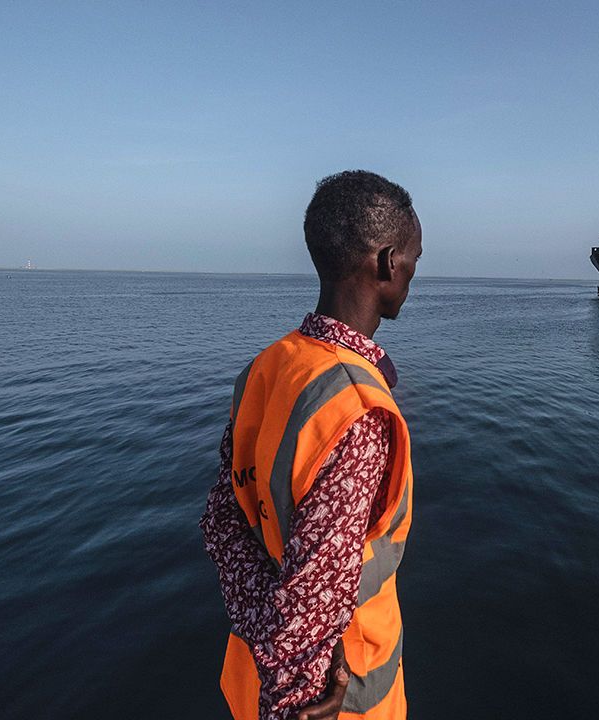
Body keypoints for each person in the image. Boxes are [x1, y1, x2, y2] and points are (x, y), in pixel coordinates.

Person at [201, 170, 421, 720]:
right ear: (388, 262)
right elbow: (306, 613)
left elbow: (223, 523)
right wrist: (291, 699)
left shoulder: (266, 368)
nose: (416, 273)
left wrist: (261, 618)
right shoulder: (358, 411)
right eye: (416, 257)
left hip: (250, 682)